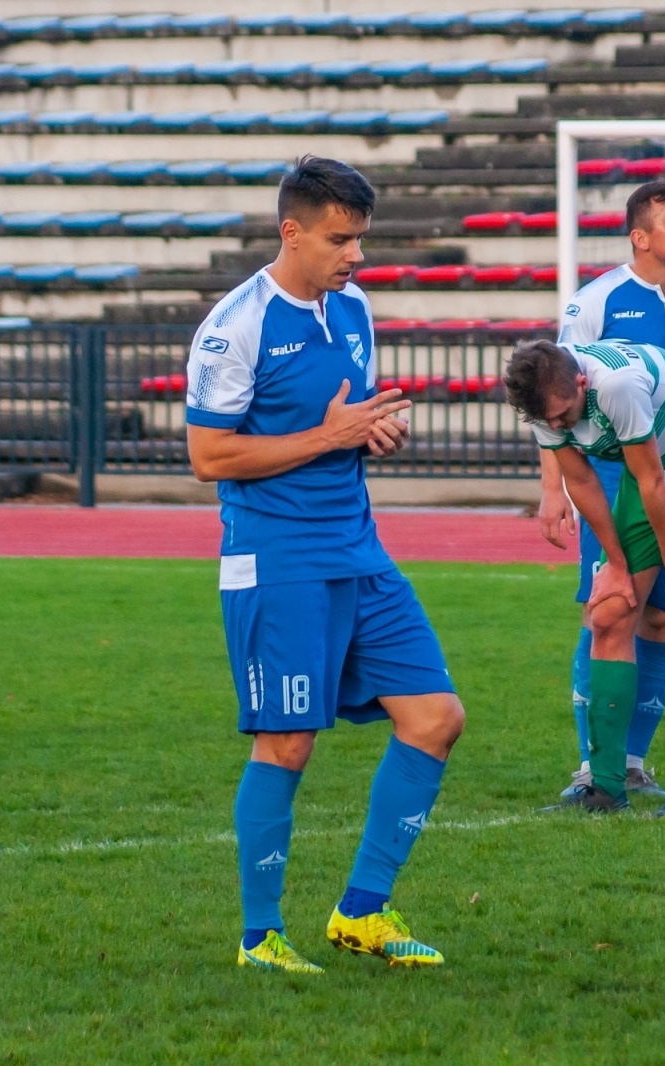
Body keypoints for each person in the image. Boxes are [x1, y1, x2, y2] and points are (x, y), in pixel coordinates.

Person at [187, 156, 465, 973]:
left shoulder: (354, 310)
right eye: (341, 240)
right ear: (292, 231)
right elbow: (208, 456)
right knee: (287, 744)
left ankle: (362, 914)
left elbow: (343, 419)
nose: (355, 256)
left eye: (361, 240)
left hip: (360, 550)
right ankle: (260, 937)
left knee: (436, 718)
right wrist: (331, 437)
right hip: (278, 560)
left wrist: (374, 430)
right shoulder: (234, 324)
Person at [541, 180, 665, 805]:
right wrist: (553, 493)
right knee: (610, 606)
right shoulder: (593, 302)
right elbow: (556, 401)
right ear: (640, 236)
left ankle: (631, 763)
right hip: (620, 473)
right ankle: (590, 765)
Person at [505, 338, 665, 816]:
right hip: (652, 472)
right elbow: (581, 480)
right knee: (610, 615)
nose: (557, 428)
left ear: (580, 382)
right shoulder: (542, 401)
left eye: (563, 415)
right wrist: (616, 565)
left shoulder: (615, 385)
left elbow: (653, 481)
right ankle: (607, 787)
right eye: (547, 422)